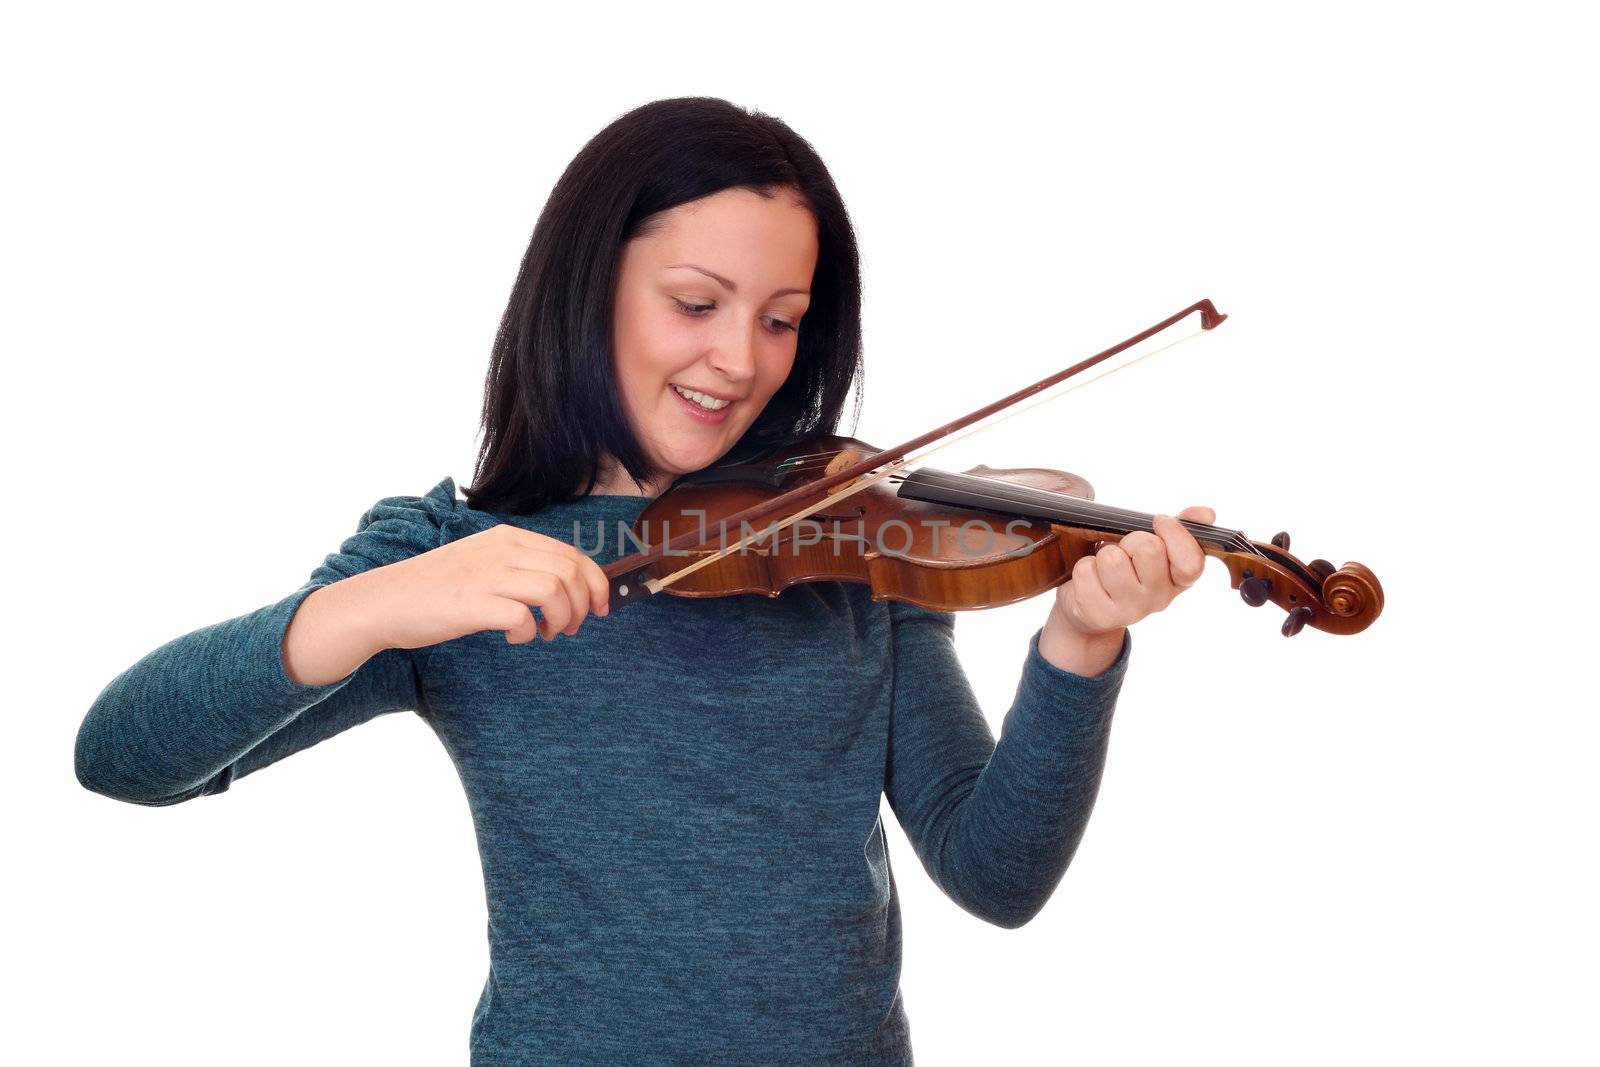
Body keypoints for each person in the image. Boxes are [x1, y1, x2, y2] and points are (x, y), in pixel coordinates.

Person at [75, 97, 1215, 1065]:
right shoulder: (456, 555)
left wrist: (1079, 641)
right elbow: (123, 757)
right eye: (694, 303)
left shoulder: (851, 546)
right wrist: (378, 604)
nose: (742, 360)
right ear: (589, 286)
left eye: (781, 321)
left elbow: (995, 874)